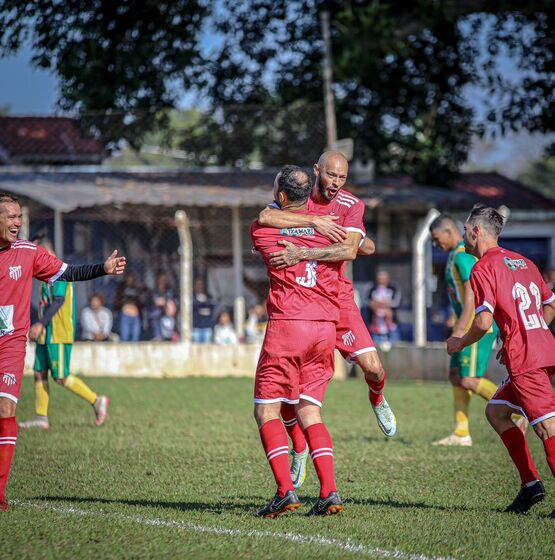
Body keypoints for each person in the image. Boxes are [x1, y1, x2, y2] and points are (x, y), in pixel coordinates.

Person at [259, 150, 396, 490]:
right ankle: (299, 451)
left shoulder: (350, 205)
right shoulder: (300, 199)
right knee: (294, 398)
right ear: (317, 171)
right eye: (331, 176)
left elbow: (351, 250)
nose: (336, 184)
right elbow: (266, 216)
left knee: (374, 368)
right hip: (308, 309)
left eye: (342, 178)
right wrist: (315, 223)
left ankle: (377, 398)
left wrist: (303, 250)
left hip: (340, 302)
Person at [0, 192, 126, 511]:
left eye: (19, 217)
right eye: (11, 217)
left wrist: (103, 268)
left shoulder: (29, 253)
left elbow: (68, 273)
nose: (18, 222)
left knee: (7, 409)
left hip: (13, 344)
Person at [447, 204, 555, 517]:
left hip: (526, 359)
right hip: (542, 349)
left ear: (475, 231)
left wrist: (459, 342)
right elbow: (550, 305)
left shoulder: (481, 268)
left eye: (466, 228)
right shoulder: (523, 261)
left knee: (548, 428)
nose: (464, 234)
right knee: (496, 412)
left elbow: (482, 323)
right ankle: (530, 484)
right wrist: (530, 333)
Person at [251, 165, 344, 517]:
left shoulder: (263, 229)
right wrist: (315, 222)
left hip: (288, 327)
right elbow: (352, 247)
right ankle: (330, 492)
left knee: (266, 410)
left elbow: (265, 216)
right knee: (309, 410)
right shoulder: (331, 229)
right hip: (324, 329)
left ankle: (285, 490)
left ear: (281, 196)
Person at [18, 238, 110, 430]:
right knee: (39, 373)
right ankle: (41, 417)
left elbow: (58, 301)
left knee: (60, 376)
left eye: (35, 251)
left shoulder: (57, 270)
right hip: (46, 333)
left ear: (44, 251)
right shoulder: (44, 272)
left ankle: (96, 400)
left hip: (58, 332)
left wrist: (40, 324)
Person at [430, 214, 504, 446]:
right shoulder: (455, 255)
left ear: (450, 231)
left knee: (468, 379)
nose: (435, 244)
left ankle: (515, 412)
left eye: (436, 238)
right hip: (465, 323)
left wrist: (460, 329)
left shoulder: (462, 256)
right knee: (455, 377)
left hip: (475, 327)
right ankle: (461, 433)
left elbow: (473, 292)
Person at [367, 269, 401, 347]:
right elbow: (370, 303)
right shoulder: (372, 289)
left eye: (383, 278)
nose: (381, 281)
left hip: (390, 328)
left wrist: (378, 304)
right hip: (376, 329)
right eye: (380, 278)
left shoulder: (393, 289)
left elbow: (395, 303)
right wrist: (385, 304)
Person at [113, 273, 144, 341]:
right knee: (124, 337)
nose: (130, 280)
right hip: (125, 314)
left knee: (135, 338)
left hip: (135, 315)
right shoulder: (121, 288)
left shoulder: (137, 289)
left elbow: (142, 301)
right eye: (128, 278)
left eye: (131, 278)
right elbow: (116, 300)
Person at [148, 271, 176, 340]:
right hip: (156, 319)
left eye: (164, 279)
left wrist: (168, 304)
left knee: (168, 338)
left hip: (167, 318)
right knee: (158, 339)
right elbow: (157, 302)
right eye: (161, 279)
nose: (163, 281)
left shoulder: (169, 291)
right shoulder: (153, 292)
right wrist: (166, 302)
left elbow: (173, 304)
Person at [192, 277, 217, 343]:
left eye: (201, 284)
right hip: (196, 328)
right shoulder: (192, 298)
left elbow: (212, 305)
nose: (199, 286)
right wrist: (201, 303)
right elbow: (194, 305)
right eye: (197, 284)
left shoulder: (209, 297)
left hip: (207, 328)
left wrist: (203, 302)